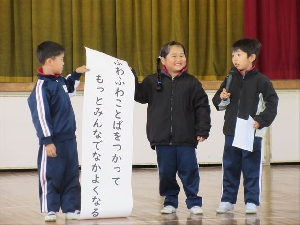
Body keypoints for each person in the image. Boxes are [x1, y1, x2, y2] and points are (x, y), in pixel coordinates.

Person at [133, 41, 211, 215]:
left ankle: (193, 201)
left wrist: (202, 129)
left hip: (186, 138)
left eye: (182, 55)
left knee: (189, 171)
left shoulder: (192, 83)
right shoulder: (153, 81)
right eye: (174, 56)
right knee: (166, 173)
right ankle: (170, 201)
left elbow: (202, 107)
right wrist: (129, 76)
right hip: (161, 138)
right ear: (163, 60)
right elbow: (139, 95)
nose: (179, 59)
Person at [212, 38, 278, 214]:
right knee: (230, 167)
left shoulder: (262, 80)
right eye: (233, 54)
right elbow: (217, 102)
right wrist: (222, 98)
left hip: (251, 131)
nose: (235, 58)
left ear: (252, 57)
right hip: (232, 131)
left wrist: (261, 120)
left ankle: (251, 201)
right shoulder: (230, 78)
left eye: (239, 54)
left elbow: (272, 102)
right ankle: (227, 200)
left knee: (251, 168)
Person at [27, 41, 89, 222]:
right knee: (52, 175)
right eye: (61, 60)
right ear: (49, 62)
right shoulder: (41, 88)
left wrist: (77, 73)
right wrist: (47, 141)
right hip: (53, 141)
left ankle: (71, 208)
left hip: (70, 139)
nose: (63, 63)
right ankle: (50, 209)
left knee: (71, 175)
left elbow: (69, 87)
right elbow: (40, 116)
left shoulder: (60, 81)